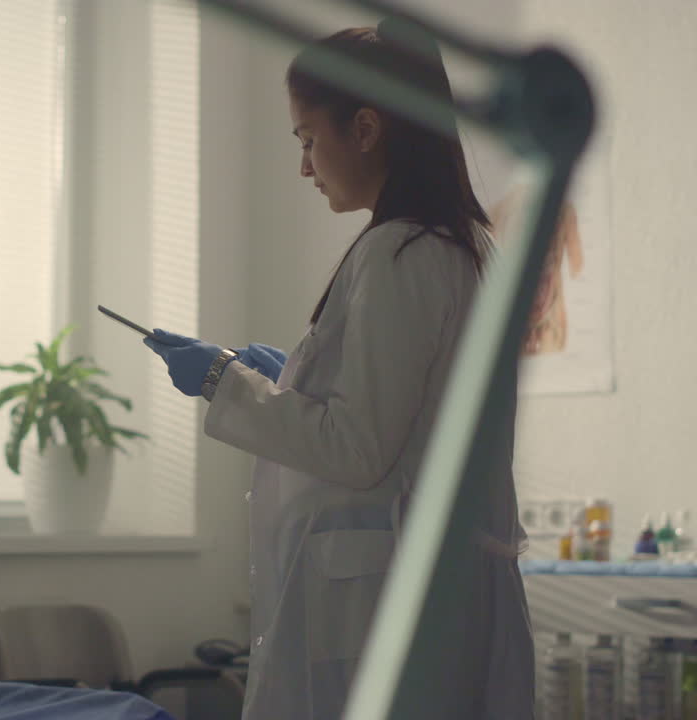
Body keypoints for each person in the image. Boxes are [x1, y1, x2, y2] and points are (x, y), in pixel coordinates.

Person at [145, 22, 533, 720]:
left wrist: (222, 382)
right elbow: (406, 412)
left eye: (305, 139)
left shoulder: (401, 250)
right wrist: (290, 374)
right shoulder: (460, 247)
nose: (303, 165)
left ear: (364, 128)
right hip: (435, 595)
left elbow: (357, 447)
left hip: (394, 602)